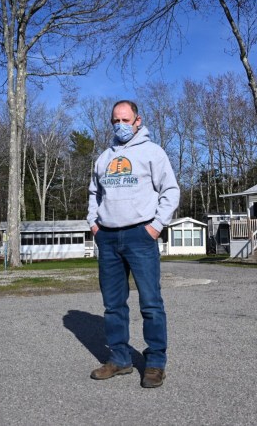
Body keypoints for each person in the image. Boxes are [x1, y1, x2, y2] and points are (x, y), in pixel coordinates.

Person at [87, 99, 180, 388]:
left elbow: (171, 190)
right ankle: (120, 358)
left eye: (126, 120)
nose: (120, 125)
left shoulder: (152, 152)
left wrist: (155, 227)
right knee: (113, 305)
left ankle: (155, 363)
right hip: (109, 238)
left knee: (151, 303)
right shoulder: (104, 158)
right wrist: (94, 225)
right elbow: (94, 193)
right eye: (116, 120)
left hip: (141, 236)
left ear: (138, 121)